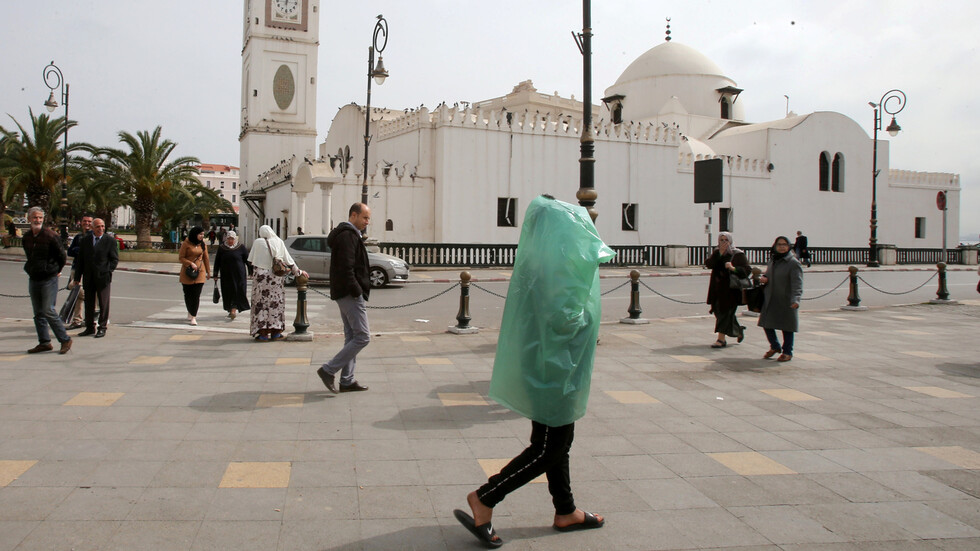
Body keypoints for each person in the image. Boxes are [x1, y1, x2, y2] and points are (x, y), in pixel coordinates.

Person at [454, 195, 613, 548]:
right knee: (549, 447)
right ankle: (486, 497)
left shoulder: (539, 261)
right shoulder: (558, 268)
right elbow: (564, 319)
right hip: (556, 368)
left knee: (556, 441)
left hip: (545, 363)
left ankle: (566, 510)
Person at [315, 203, 372, 393]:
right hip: (349, 293)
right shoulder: (348, 236)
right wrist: (356, 290)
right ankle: (328, 370)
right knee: (362, 337)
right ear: (353, 215)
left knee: (352, 336)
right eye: (364, 217)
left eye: (368, 218)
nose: (367, 222)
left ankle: (347, 381)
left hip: (344, 292)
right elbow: (346, 267)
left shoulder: (347, 234)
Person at [22, 207, 72, 355]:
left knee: (48, 310)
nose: (37, 220)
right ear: (29, 219)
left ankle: (65, 339)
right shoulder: (27, 237)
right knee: (38, 313)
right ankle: (44, 342)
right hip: (34, 278)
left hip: (49, 278)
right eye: (35, 217)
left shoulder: (51, 236)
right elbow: (29, 256)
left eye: (40, 218)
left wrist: (57, 270)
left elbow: (62, 255)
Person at [247, 225, 306, 341]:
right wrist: (298, 272)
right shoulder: (279, 241)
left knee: (261, 305)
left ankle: (263, 334)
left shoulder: (258, 242)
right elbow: (288, 260)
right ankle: (276, 332)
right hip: (276, 277)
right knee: (275, 304)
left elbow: (250, 260)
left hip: (261, 279)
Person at [758, 235, 804, 362]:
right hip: (771, 297)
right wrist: (764, 278)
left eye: (784, 245)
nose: (782, 247)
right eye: (779, 244)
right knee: (766, 323)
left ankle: (787, 351)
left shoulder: (793, 263)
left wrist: (796, 299)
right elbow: (768, 274)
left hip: (786, 299)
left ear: (789, 246)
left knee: (787, 326)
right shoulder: (773, 260)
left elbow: (797, 283)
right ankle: (775, 346)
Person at [71, 218, 119, 338]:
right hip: (88, 276)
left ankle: (102, 327)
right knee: (89, 303)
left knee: (103, 303)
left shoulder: (110, 241)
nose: (100, 229)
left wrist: (108, 270)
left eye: (102, 226)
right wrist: (77, 277)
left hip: (103, 277)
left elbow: (114, 259)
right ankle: (89, 327)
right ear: (92, 228)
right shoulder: (85, 240)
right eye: (98, 227)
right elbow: (80, 260)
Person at [705, 231, 751, 348]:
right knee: (719, 312)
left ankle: (721, 339)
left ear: (730, 241)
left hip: (731, 290)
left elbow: (746, 270)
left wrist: (733, 268)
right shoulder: (717, 252)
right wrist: (720, 254)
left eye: (726, 240)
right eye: (721, 240)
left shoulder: (737, 254)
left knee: (725, 313)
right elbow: (709, 264)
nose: (724, 242)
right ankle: (738, 330)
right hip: (717, 289)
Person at [213, 230, 251, 320]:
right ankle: (230, 309)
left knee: (238, 290)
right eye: (229, 239)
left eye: (232, 239)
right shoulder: (222, 248)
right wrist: (215, 273)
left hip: (239, 275)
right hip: (226, 275)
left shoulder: (241, 247)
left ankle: (234, 309)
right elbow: (217, 261)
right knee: (228, 292)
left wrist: (251, 271)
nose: (230, 241)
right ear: (226, 239)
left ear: (235, 239)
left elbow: (247, 260)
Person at [178, 226, 211, 326]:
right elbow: (181, 258)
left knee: (196, 295)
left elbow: (206, 258)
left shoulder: (203, 244)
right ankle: (190, 310)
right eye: (200, 234)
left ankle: (193, 316)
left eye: (203, 234)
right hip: (187, 272)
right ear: (194, 234)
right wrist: (190, 263)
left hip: (200, 272)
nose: (202, 236)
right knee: (188, 295)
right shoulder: (186, 243)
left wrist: (208, 272)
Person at [66, 215, 94, 329]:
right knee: (77, 294)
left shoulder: (94, 237)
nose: (86, 223)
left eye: (89, 221)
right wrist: (79, 250)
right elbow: (70, 252)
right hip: (76, 268)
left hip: (88, 270)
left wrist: (79, 250)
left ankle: (93, 316)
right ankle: (77, 320)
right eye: (84, 221)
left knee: (80, 292)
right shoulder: (78, 237)